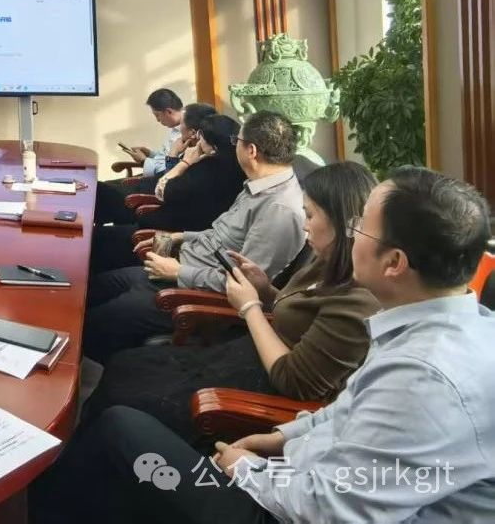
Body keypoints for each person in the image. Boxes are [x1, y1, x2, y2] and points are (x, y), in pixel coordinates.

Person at [29, 167, 495, 523]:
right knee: (125, 464)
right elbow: (348, 409)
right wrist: (280, 438)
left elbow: (334, 509)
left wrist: (247, 470)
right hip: (292, 475)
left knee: (120, 430)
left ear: (394, 262)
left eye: (361, 227)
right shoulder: (443, 328)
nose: (350, 234)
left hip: (279, 510)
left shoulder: (426, 378)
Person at [80, 162, 380, 442]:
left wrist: (250, 307)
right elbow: (296, 314)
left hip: (263, 386)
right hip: (245, 353)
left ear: (340, 221)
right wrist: (265, 290)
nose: (305, 226)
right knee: (124, 365)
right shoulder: (327, 261)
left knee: (122, 400)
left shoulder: (358, 301)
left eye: (311, 216)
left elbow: (296, 382)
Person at [82, 111, 306, 362]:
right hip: (180, 266)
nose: (234, 147)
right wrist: (181, 236)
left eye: (237, 142)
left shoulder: (280, 210)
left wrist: (178, 272)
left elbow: (245, 285)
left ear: (251, 151)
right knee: (91, 288)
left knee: (90, 323)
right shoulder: (259, 185)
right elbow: (220, 234)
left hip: (191, 290)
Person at [95, 101, 215, 226]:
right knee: (98, 188)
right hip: (148, 185)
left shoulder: (198, 160)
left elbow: (168, 188)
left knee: (99, 192)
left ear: (193, 133)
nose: (179, 128)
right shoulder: (189, 147)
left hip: (147, 199)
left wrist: (173, 154)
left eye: (182, 123)